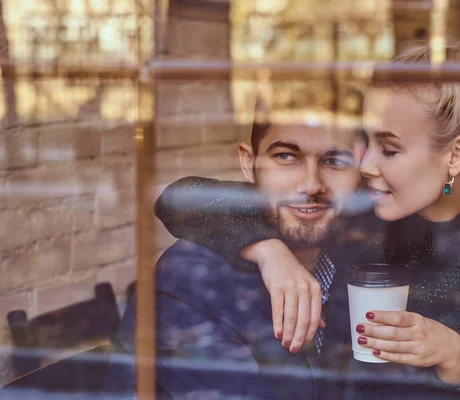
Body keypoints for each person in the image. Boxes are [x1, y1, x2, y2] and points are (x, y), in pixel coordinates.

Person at [154, 39, 460, 398]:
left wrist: (458, 357)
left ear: (456, 155)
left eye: (388, 149)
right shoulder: (366, 204)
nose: (364, 164)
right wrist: (270, 251)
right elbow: (182, 197)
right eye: (365, 141)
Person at [102, 118, 367, 399]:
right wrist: (269, 251)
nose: (312, 185)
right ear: (248, 163)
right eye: (286, 157)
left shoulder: (348, 254)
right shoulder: (190, 282)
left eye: (336, 160)